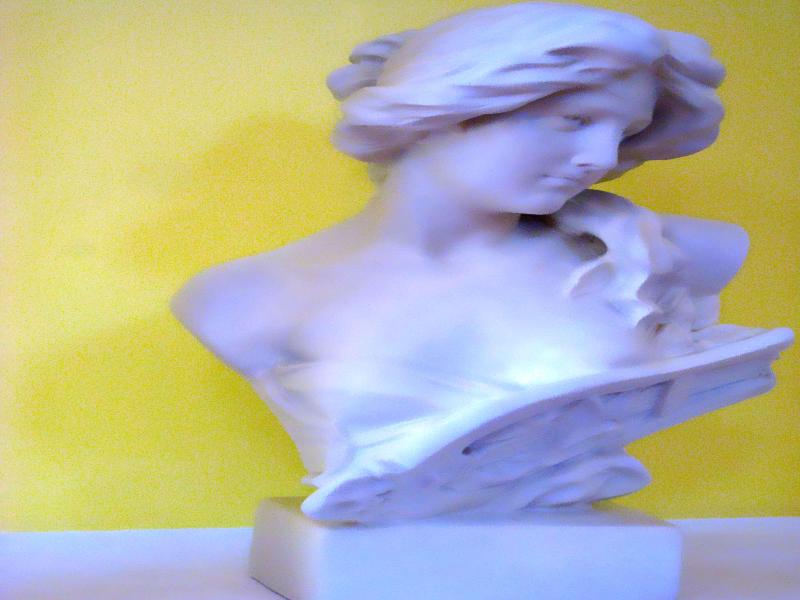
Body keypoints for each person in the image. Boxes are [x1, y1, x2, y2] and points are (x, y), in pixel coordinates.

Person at [171, 3, 757, 519]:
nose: (602, 158)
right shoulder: (241, 298)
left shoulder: (662, 256)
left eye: (625, 131)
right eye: (574, 120)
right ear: (445, 110)